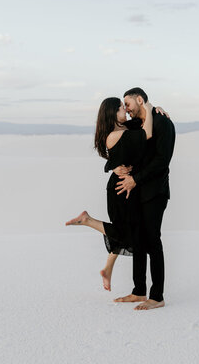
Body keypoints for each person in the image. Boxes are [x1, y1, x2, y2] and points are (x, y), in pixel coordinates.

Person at [65, 96, 154, 292]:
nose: (126, 110)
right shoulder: (114, 135)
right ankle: (88, 220)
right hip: (119, 191)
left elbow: (140, 122)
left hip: (128, 186)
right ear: (113, 113)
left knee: (128, 230)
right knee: (128, 234)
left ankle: (108, 268)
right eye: (122, 108)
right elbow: (146, 133)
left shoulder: (124, 129)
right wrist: (146, 104)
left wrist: (157, 109)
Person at [114, 87, 175, 310]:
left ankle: (157, 296)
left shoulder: (163, 122)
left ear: (140, 100)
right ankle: (138, 290)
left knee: (152, 241)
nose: (127, 110)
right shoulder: (135, 124)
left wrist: (135, 180)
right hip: (136, 192)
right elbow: (115, 142)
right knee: (137, 240)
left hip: (154, 192)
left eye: (128, 104)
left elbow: (161, 161)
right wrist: (114, 169)